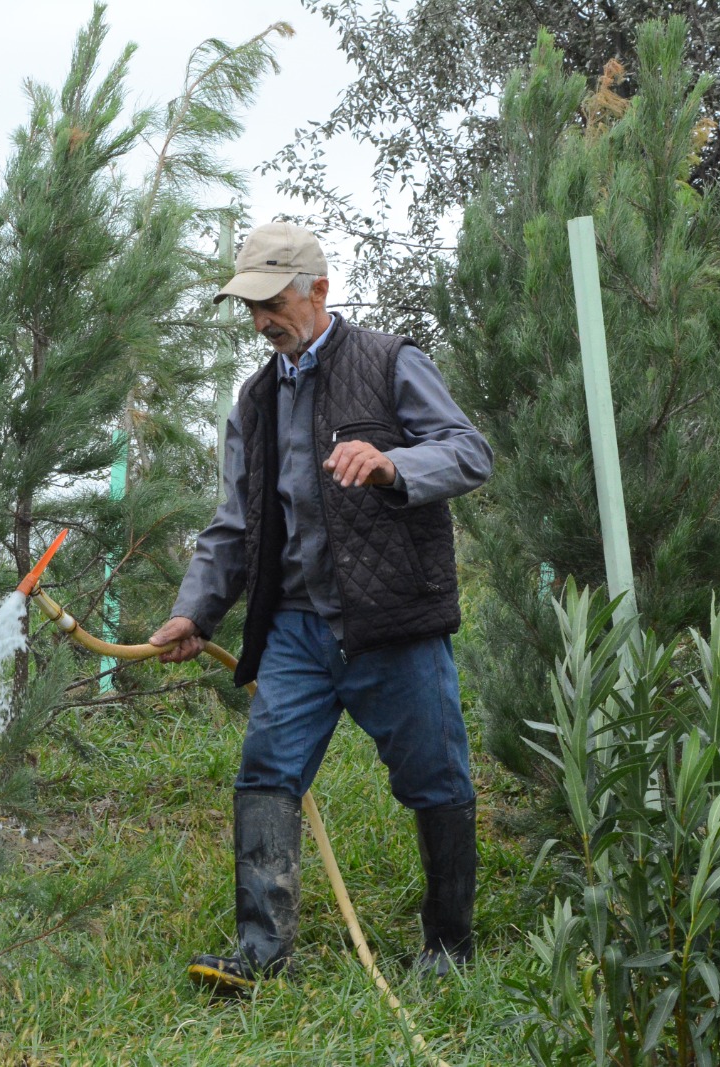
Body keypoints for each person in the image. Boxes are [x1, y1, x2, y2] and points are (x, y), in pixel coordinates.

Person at [150, 221, 493, 994]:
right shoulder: (255, 399)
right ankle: (261, 952)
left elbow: (469, 452)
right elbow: (234, 524)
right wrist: (194, 612)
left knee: (437, 778)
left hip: (392, 622)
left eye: (273, 302)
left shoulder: (389, 361)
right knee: (266, 773)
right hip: (298, 632)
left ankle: (448, 948)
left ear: (319, 290)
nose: (262, 321)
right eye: (252, 307)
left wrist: (392, 463)